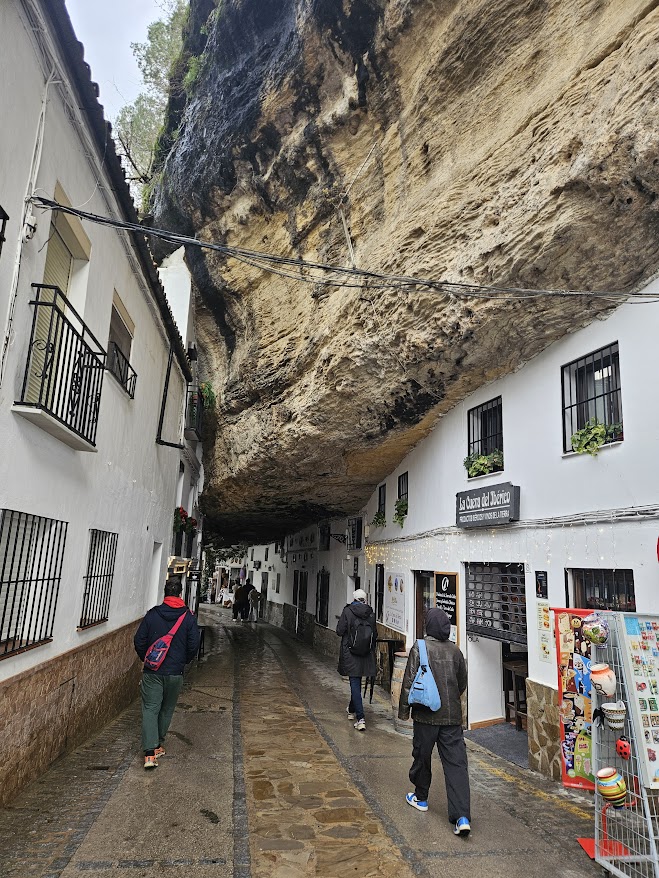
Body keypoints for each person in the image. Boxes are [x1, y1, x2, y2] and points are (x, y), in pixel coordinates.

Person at [398, 607, 471, 836]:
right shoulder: (456, 651)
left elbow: (408, 682)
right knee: (456, 764)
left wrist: (403, 713)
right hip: (451, 718)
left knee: (422, 756)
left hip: (425, 716)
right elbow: (462, 684)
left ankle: (421, 798)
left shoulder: (419, 648)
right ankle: (462, 816)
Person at [133, 576, 200, 769]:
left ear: (165, 592)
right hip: (174, 672)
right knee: (166, 709)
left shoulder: (152, 615)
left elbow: (139, 640)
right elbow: (193, 644)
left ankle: (149, 754)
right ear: (180, 593)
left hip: (152, 671)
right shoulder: (188, 617)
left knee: (150, 708)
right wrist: (183, 661)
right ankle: (158, 745)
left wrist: (147, 658)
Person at [336, 588, 376, 731]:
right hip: (365, 653)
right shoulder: (370, 613)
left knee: (355, 684)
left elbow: (339, 630)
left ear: (354, 598)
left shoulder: (348, 611)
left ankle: (361, 718)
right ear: (365, 599)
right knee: (357, 684)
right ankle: (351, 709)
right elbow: (375, 634)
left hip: (351, 652)